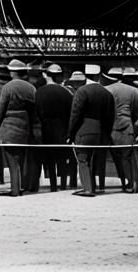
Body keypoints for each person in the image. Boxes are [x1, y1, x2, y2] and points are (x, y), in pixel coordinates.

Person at [0, 59, 39, 197]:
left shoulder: (8, 87)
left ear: (12, 72)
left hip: (9, 127)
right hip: (24, 127)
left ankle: (14, 189)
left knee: (12, 160)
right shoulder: (31, 88)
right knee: (21, 159)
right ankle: (23, 185)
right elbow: (34, 111)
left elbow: (0, 110)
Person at [67, 65, 113, 197]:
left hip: (84, 129)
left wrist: (70, 134)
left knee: (82, 160)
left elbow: (75, 115)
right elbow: (110, 116)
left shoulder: (82, 91)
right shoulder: (106, 93)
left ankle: (88, 188)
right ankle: (91, 185)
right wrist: (106, 133)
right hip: (99, 130)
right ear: (98, 76)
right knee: (92, 159)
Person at [35, 63, 73, 192]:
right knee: (62, 157)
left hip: (46, 128)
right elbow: (71, 113)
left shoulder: (39, 92)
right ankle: (63, 184)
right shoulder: (66, 93)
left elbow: (37, 113)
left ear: (46, 74)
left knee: (50, 158)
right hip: (62, 128)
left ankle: (52, 185)